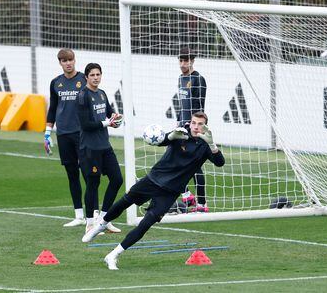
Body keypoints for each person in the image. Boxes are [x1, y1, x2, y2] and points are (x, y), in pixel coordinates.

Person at [82, 111, 225, 270]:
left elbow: (220, 163)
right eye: (194, 123)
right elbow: (161, 141)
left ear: (205, 126)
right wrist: (170, 137)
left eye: (200, 124)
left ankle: (113, 255)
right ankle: (101, 224)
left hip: (170, 192)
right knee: (125, 201)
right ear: (189, 123)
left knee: (146, 223)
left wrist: (212, 145)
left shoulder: (205, 145)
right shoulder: (181, 133)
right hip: (154, 179)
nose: (196, 127)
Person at [44, 48, 98, 227]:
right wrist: (47, 132)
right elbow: (53, 108)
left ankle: (94, 215)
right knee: (71, 174)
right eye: (64, 61)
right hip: (63, 134)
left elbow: (94, 103)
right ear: (60, 63)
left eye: (70, 60)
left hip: (82, 134)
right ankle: (78, 215)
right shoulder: (55, 83)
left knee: (88, 174)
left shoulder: (84, 79)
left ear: (75, 60)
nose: (68, 63)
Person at [77, 63, 123, 234]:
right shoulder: (82, 96)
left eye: (98, 74)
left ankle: (104, 220)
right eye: (92, 75)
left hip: (105, 146)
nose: (96, 77)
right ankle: (89, 223)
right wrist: (107, 122)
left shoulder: (102, 94)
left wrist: (116, 119)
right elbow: (86, 124)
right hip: (90, 148)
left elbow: (110, 114)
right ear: (86, 77)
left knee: (117, 179)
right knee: (93, 183)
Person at [177, 46, 208, 212]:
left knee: (195, 164)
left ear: (192, 61)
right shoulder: (180, 79)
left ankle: (201, 203)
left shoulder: (198, 79)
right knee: (177, 160)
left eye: (186, 61)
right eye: (181, 60)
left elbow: (200, 107)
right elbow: (181, 104)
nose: (183, 64)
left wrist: (196, 127)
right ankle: (187, 195)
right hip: (182, 126)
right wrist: (178, 121)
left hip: (193, 127)